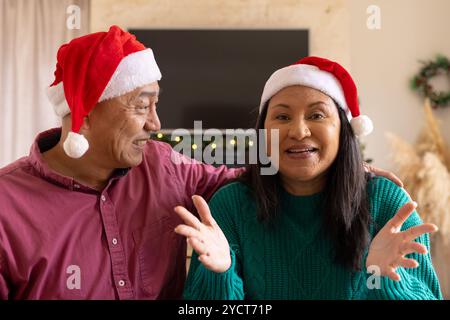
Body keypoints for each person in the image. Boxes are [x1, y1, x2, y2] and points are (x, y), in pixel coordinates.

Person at [0, 26, 400, 300]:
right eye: (142, 106)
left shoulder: (163, 166)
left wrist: (341, 168)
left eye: (157, 104)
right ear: (84, 114)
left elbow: (248, 176)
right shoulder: (7, 205)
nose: (156, 124)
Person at [175, 57, 443, 299]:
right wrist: (220, 275)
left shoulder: (388, 204)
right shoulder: (230, 206)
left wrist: (386, 280)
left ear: (343, 130)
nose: (299, 131)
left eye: (316, 115)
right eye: (282, 116)